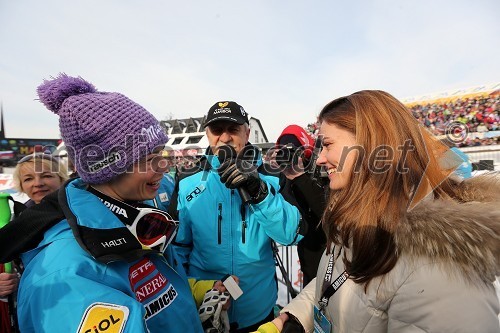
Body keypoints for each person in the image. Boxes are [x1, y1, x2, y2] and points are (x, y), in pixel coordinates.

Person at [0, 74, 229, 332]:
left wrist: (197, 297)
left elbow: (163, 295)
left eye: (161, 154)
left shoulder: (137, 221)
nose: (163, 166)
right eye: (149, 158)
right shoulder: (66, 271)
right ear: (107, 167)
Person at [257, 90, 500, 332]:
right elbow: (341, 280)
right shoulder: (362, 216)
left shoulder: (442, 271)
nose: (320, 158)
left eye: (327, 144)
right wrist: (296, 318)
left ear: (370, 145)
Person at [168, 101, 305, 332]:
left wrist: (259, 192)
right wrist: (196, 290)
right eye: (217, 130)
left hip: (258, 310)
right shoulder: (187, 181)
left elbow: (292, 234)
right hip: (206, 309)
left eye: (232, 129)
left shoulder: (271, 175)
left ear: (247, 132)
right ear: (207, 134)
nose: (225, 137)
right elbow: (177, 250)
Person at [273, 125, 327, 286]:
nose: (289, 154)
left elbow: (328, 212)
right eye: (283, 150)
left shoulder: (324, 170)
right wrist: (287, 176)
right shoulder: (286, 176)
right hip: (307, 259)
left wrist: (300, 177)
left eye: (294, 149)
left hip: (329, 260)